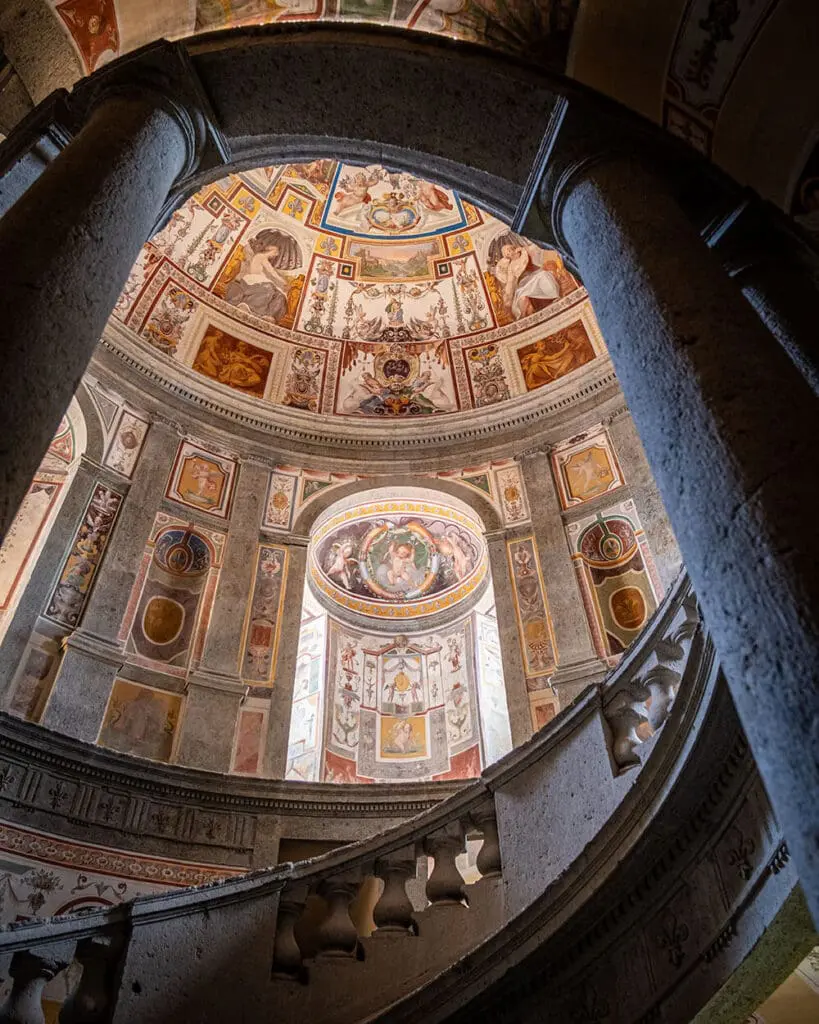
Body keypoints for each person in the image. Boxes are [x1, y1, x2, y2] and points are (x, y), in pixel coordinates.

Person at [225, 228, 301, 322]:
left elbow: (271, 273)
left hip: (257, 279)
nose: (275, 256)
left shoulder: (262, 257)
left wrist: (283, 283)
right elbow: (272, 272)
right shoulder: (261, 257)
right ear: (272, 252)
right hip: (252, 279)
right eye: (275, 254)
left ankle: (268, 314)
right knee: (269, 288)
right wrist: (284, 282)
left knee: (279, 294)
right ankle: (251, 307)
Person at [488, 231, 563, 320]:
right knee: (523, 295)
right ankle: (527, 314)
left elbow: (536, 250)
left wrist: (524, 250)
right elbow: (512, 281)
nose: (509, 253)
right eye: (506, 253)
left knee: (544, 275)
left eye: (508, 250)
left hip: (535, 274)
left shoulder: (524, 252)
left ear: (512, 248)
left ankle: (554, 296)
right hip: (524, 283)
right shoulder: (511, 266)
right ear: (506, 256)